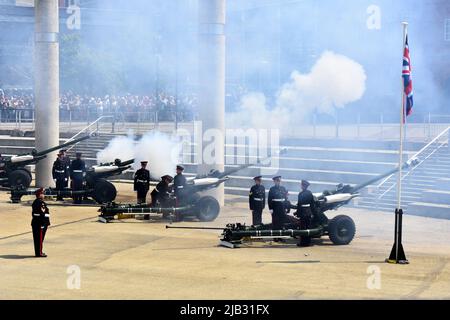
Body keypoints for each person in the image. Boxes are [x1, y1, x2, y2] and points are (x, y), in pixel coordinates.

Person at [295, 180, 316, 247]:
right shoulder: (310, 193)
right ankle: (308, 242)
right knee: (308, 227)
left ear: (303, 186)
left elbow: (299, 205)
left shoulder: (300, 194)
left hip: (303, 212)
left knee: (302, 228)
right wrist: (312, 213)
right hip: (308, 212)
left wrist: (297, 213)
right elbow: (312, 204)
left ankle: (303, 243)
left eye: (301, 185)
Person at [31, 188, 50, 257]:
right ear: (40, 195)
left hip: (37, 223)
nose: (44, 195)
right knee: (39, 239)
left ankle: (38, 252)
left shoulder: (36, 202)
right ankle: (39, 253)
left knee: (38, 239)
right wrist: (42, 224)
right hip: (40, 223)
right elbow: (42, 214)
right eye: (43, 193)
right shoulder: (40, 202)